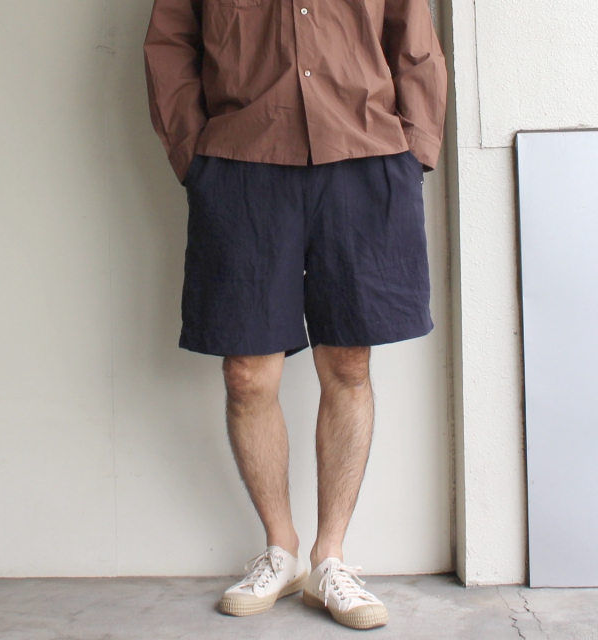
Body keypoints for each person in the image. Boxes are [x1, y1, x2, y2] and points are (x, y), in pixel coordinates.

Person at [143, 0, 447, 630]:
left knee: (349, 363)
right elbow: (170, 44)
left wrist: (415, 148)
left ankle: (330, 558)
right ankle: (280, 551)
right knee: (247, 374)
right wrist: (192, 156)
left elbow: (414, 42)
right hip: (241, 164)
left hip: (362, 155)